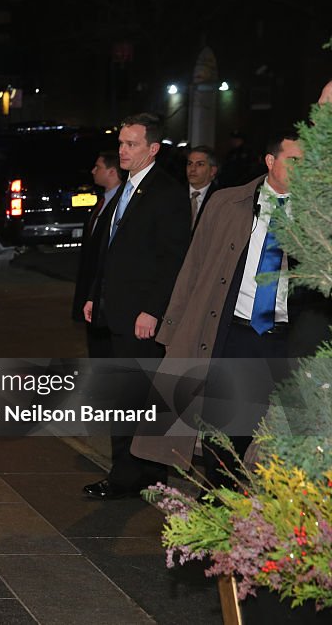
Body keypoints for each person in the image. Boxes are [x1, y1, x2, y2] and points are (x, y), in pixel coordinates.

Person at [139, 132, 332, 484]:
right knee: (222, 432)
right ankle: (217, 502)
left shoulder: (319, 215)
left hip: (287, 342)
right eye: (295, 161)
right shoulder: (228, 204)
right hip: (236, 334)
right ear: (270, 161)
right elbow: (193, 268)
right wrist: (173, 327)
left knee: (279, 439)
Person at [82, 112, 191, 500]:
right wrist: (96, 294)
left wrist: (154, 310)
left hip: (141, 317)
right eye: (121, 143)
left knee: (141, 400)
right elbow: (108, 252)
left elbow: (173, 259)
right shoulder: (125, 190)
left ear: (153, 148)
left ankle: (139, 476)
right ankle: (131, 474)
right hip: (114, 311)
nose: (122, 151)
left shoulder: (167, 193)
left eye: (131, 145)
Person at [71, 151, 123, 358]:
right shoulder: (101, 201)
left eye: (98, 167)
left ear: (111, 172)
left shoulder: (120, 203)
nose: (93, 171)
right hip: (92, 286)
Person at [186, 145, 219, 230]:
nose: (192, 169)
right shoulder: (175, 194)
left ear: (212, 171)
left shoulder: (220, 198)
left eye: (200, 164)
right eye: (190, 163)